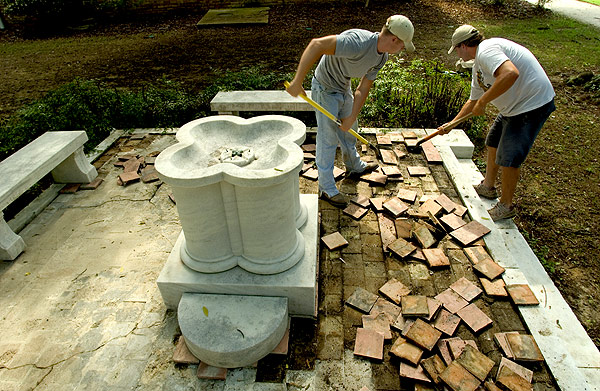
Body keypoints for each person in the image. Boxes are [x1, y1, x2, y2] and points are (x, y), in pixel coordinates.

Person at [286, 15, 415, 208]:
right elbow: (316, 44)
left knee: (350, 128)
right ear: (394, 39)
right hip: (324, 87)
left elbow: (363, 88)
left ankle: (354, 166)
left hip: (343, 86)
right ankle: (326, 188)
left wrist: (351, 116)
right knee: (328, 138)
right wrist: (297, 82)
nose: (403, 48)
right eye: (403, 44)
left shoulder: (382, 56)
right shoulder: (357, 42)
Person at [441, 25, 555, 221]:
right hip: (513, 107)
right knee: (492, 141)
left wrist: (485, 101)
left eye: (457, 49)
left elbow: (511, 73)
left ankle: (506, 205)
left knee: (509, 157)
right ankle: (488, 187)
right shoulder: (479, 64)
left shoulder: (487, 50)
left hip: (530, 105)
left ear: (464, 45)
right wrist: (451, 124)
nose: (457, 54)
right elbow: (473, 101)